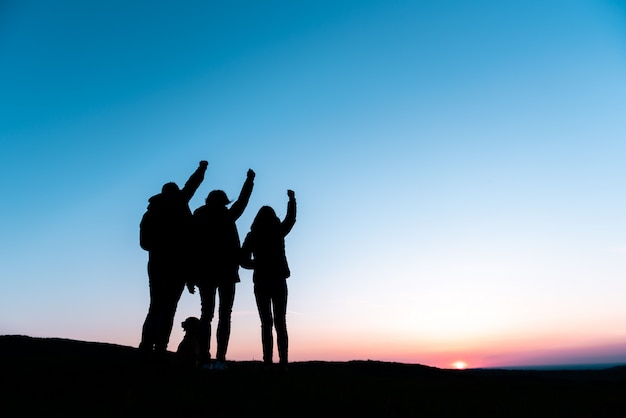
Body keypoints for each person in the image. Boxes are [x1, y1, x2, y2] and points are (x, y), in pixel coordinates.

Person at [138, 160, 208, 363]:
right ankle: (160, 348)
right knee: (168, 309)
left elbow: (144, 244)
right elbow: (192, 185)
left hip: (157, 265)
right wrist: (202, 169)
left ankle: (146, 348)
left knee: (155, 307)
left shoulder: (150, 214)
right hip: (177, 267)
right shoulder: (179, 205)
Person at [190, 169, 255, 369]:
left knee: (207, 315)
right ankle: (219, 358)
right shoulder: (227, 216)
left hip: (204, 273)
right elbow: (243, 201)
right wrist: (250, 180)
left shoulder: (198, 217)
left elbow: (190, 247)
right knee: (223, 314)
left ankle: (205, 358)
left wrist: (190, 277)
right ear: (223, 202)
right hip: (226, 271)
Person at [240, 190, 296, 371]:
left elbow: (243, 260)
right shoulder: (278, 232)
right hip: (278, 280)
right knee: (280, 322)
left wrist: (256, 264)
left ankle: (267, 362)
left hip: (262, 281)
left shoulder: (253, 235)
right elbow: (290, 219)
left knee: (267, 322)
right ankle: (284, 362)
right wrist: (292, 200)